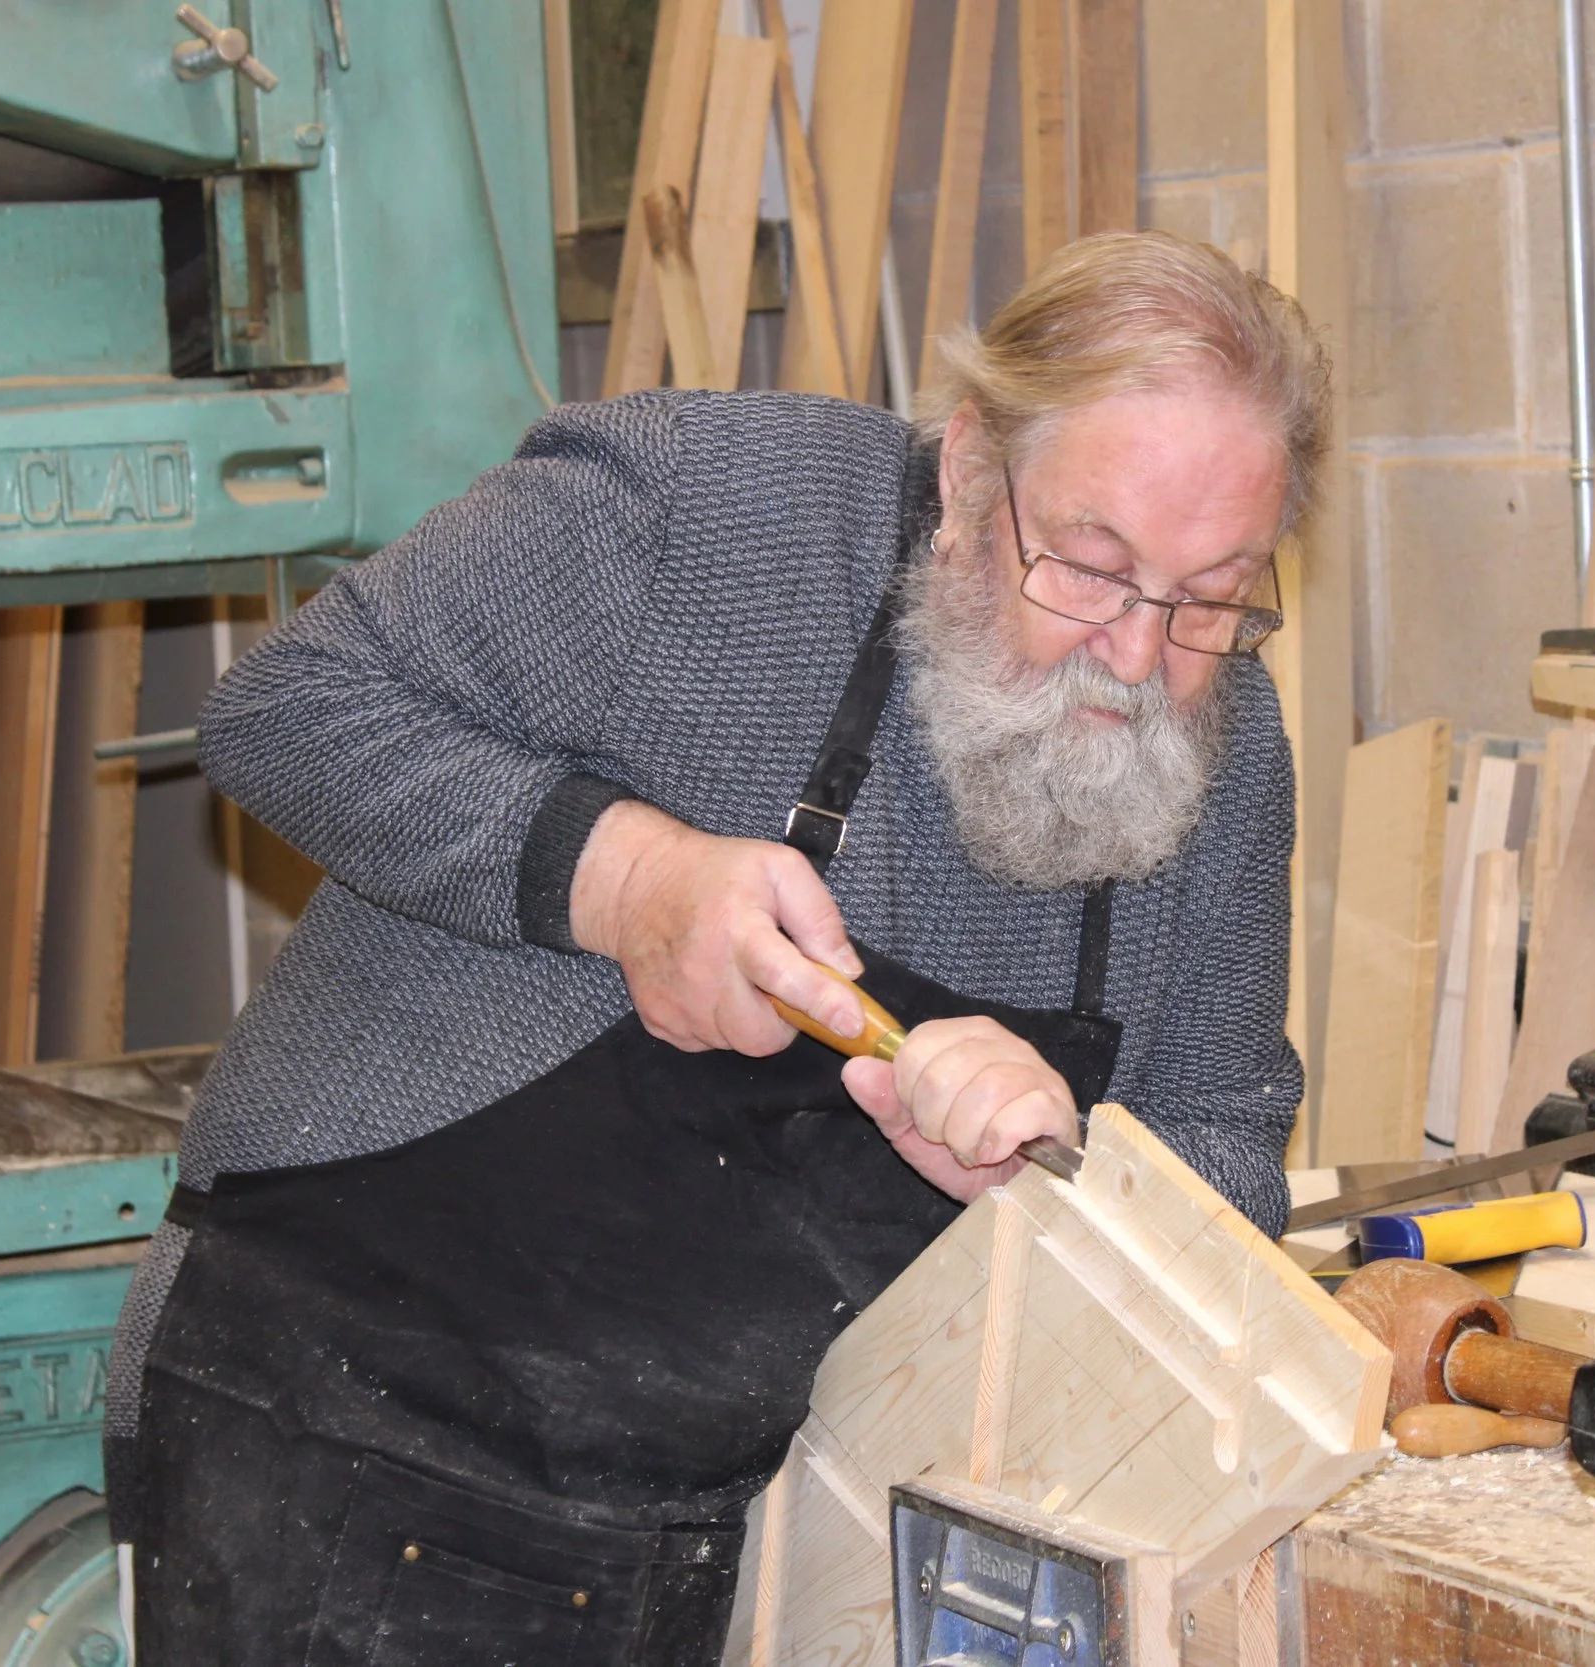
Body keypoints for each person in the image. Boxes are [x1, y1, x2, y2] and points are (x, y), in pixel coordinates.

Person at [109, 229, 1330, 1662]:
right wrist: (623, 879)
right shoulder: (702, 510)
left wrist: (1068, 1176)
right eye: (1091, 566)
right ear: (968, 471)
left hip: (748, 1515)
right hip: (354, 1433)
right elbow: (287, 709)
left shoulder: (1227, 766)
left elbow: (1232, 1142)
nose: (1136, 657)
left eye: (1207, 599)